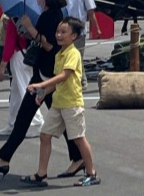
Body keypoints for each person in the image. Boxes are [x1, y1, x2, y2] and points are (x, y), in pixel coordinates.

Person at [0, 0, 82, 178]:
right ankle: (5, 159)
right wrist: (30, 31)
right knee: (36, 118)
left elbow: (50, 45)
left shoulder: (49, 16)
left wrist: (29, 27)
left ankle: (78, 160)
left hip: (45, 78)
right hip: (44, 76)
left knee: (37, 119)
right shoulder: (56, 14)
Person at [21, 17, 100, 187]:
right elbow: (57, 82)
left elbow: (65, 75)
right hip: (58, 104)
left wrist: (41, 85)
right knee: (44, 135)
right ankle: (41, 174)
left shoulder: (73, 53)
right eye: (58, 31)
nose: (59, 35)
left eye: (64, 32)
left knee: (78, 139)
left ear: (74, 36)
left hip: (72, 104)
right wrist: (43, 92)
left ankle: (91, 173)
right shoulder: (59, 54)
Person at [0, 11, 45, 136]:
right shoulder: (33, 16)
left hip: (19, 55)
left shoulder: (14, 18)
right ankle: (13, 123)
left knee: (24, 89)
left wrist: (2, 66)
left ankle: (37, 121)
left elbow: (9, 43)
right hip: (29, 54)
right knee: (16, 91)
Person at [63, 0, 100, 87]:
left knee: (68, 55)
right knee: (79, 56)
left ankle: (76, 79)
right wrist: (97, 29)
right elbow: (90, 13)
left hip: (67, 28)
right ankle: (81, 80)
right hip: (80, 29)